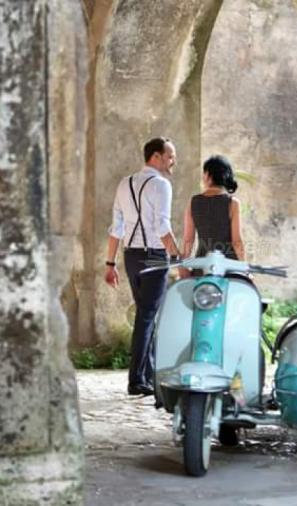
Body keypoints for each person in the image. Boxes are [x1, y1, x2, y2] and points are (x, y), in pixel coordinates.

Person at [105, 137, 183, 396]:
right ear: (156, 157)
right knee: (147, 317)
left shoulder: (124, 183)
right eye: (170, 155)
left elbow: (117, 227)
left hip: (131, 256)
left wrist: (110, 263)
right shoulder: (161, 185)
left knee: (145, 314)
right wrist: (179, 258)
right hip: (154, 256)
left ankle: (147, 374)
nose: (173, 160)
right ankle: (136, 379)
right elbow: (162, 227)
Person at [181, 155, 245, 271]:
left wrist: (183, 266)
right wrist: (244, 268)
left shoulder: (193, 202)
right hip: (228, 268)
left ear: (208, 175)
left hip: (202, 266)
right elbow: (237, 242)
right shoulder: (232, 203)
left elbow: (188, 240)